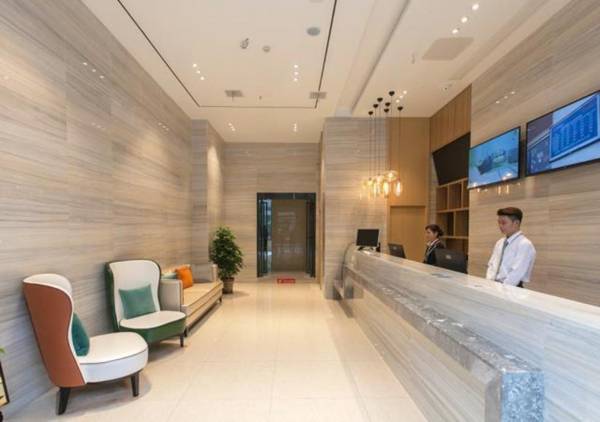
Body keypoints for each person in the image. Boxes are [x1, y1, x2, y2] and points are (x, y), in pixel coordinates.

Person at [486, 207, 536, 288]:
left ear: (516, 223)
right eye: (499, 222)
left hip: (512, 288)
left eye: (503, 223)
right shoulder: (500, 242)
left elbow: (517, 273)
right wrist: (489, 283)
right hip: (494, 286)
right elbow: (491, 265)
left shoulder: (525, 244)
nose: (500, 226)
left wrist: (503, 289)